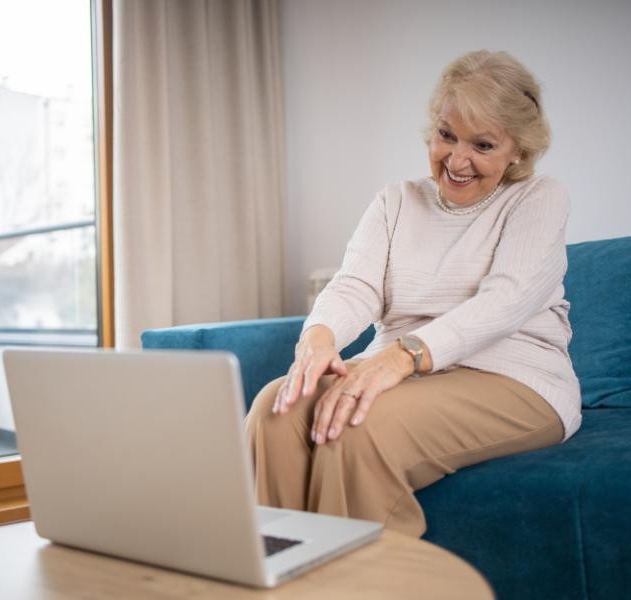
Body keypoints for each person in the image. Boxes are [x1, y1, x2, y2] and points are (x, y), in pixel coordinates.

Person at [244, 50, 582, 538]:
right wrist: (318, 339)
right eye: (447, 135)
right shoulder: (396, 200)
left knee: (356, 427)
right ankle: (281, 577)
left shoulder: (539, 198)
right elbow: (355, 285)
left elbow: (505, 302)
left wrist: (404, 357)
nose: (457, 160)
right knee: (276, 408)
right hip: (401, 369)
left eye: (482, 145)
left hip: (514, 376)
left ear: (518, 152)